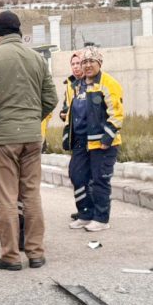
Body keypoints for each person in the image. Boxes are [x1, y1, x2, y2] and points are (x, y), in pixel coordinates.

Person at [0, 11, 57, 271]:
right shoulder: (36, 58)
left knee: (6, 198)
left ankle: (10, 256)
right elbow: (51, 99)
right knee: (31, 195)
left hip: (2, 139)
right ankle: (36, 253)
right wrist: (33, 118)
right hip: (32, 138)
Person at [66, 46, 124, 232]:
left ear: (99, 63)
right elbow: (73, 113)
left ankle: (101, 218)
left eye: (92, 61)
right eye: (85, 62)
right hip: (81, 142)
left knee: (100, 180)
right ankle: (85, 214)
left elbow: (117, 114)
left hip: (102, 143)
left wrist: (107, 138)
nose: (88, 65)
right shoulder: (78, 85)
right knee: (77, 175)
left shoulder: (108, 83)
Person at [60, 49, 87, 220]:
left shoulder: (91, 83)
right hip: (75, 136)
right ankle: (83, 209)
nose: (76, 67)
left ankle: (90, 211)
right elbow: (65, 107)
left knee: (85, 175)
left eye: (79, 63)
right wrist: (64, 113)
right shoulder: (70, 86)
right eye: (73, 64)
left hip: (89, 136)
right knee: (76, 173)